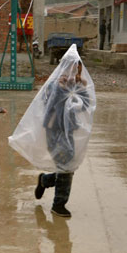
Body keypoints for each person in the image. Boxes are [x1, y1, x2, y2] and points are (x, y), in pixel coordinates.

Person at [34, 59, 91, 217]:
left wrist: (82, 88)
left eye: (77, 71)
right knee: (67, 166)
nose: (73, 75)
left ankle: (45, 181)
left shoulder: (76, 85)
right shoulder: (53, 84)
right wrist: (60, 87)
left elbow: (85, 105)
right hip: (54, 130)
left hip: (69, 130)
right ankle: (58, 204)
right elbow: (49, 102)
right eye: (71, 70)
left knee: (66, 165)